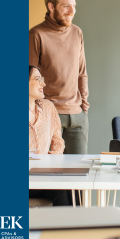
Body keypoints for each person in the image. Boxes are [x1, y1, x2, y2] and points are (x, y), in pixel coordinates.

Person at [29, 0, 89, 155]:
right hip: (47, 115)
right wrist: (39, 111)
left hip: (78, 116)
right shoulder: (36, 34)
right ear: (51, 7)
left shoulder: (77, 33)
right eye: (65, 6)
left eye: (74, 6)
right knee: (49, 173)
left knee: (78, 174)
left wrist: (84, 106)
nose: (72, 11)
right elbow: (30, 77)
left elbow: (82, 72)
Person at [29, 65, 76, 206]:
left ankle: (75, 226)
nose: (43, 83)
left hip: (43, 177)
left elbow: (58, 142)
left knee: (69, 187)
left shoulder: (48, 107)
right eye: (38, 79)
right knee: (63, 188)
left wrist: (50, 160)